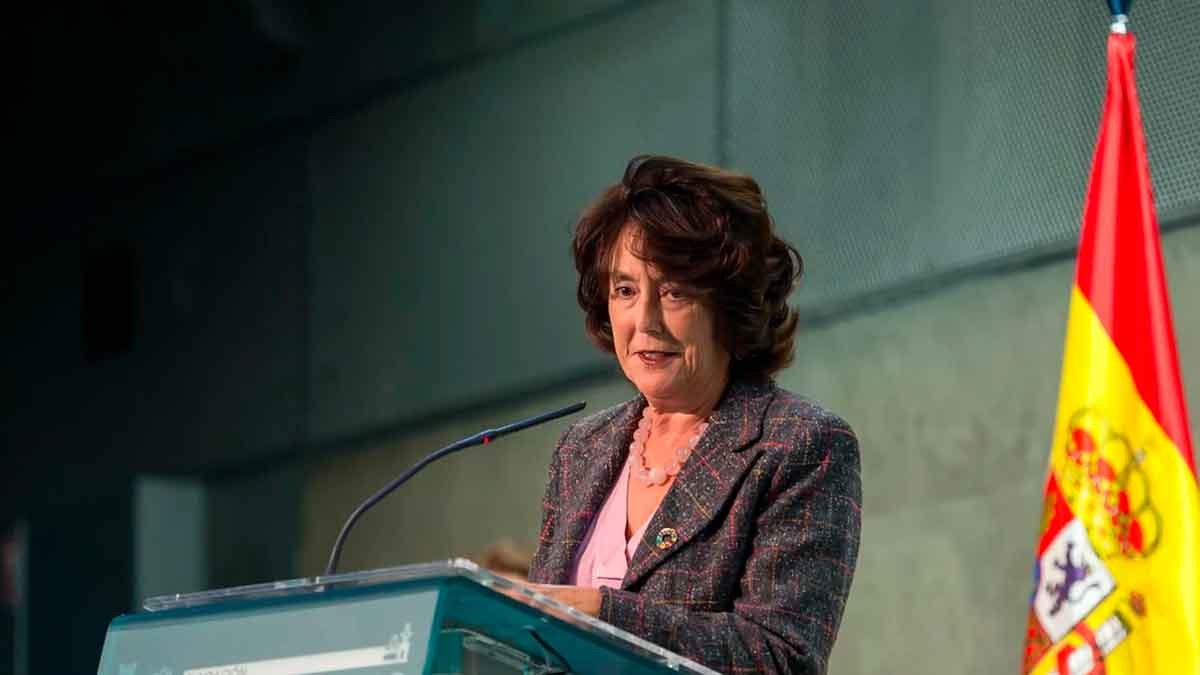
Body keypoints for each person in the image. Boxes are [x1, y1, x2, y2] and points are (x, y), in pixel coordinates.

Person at [524, 155, 862, 674]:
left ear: (728, 305)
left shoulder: (799, 444)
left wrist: (605, 616)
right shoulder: (581, 449)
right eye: (625, 290)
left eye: (675, 291)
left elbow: (781, 657)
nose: (645, 320)